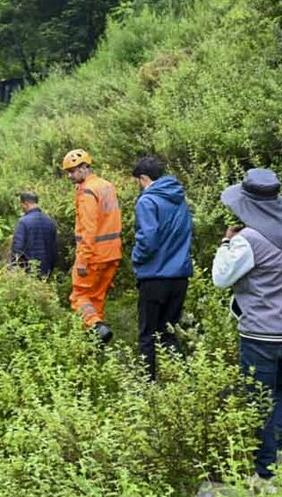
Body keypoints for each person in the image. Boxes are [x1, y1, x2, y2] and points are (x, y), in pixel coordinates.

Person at [212, 168, 282, 480]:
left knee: (259, 402)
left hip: (261, 335)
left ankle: (266, 476)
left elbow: (221, 278)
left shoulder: (249, 239)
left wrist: (226, 242)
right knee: (279, 389)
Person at [131, 156, 193, 381]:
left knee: (147, 334)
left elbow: (148, 240)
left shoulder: (147, 201)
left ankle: (146, 386)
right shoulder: (179, 198)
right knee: (167, 332)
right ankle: (189, 381)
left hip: (154, 277)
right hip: (180, 276)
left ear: (144, 179)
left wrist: (136, 259)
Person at [61, 149, 122, 343]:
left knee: (78, 296)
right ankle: (96, 342)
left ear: (84, 167)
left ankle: (97, 327)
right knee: (96, 298)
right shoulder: (107, 186)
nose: (70, 176)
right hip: (112, 254)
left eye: (72, 171)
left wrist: (83, 260)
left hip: (94, 256)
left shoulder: (87, 191)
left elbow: (89, 229)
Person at [10, 192, 58, 277]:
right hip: (46, 270)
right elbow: (54, 249)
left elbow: (17, 248)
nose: (21, 207)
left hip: (28, 270)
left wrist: (14, 267)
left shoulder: (23, 222)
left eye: (21, 204)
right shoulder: (50, 222)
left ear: (26, 204)